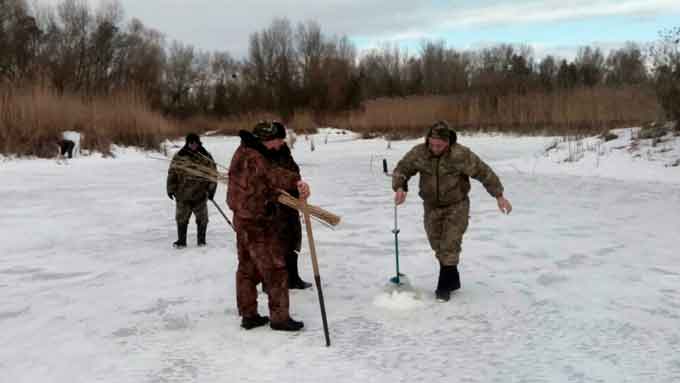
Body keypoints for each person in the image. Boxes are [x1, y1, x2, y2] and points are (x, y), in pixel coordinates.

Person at [392, 121, 512, 302]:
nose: (434, 148)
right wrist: (400, 187)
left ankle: (443, 287)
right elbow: (403, 168)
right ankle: (453, 279)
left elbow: (483, 172)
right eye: (432, 144)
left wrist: (499, 196)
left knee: (449, 245)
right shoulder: (420, 153)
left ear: (447, 143)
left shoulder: (460, 155)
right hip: (431, 206)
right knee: (437, 245)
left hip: (456, 205)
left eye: (439, 145)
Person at [227, 121, 311, 331]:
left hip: (243, 219)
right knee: (276, 269)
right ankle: (280, 318)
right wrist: (297, 182)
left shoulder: (242, 151)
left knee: (247, 268)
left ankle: (249, 315)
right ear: (267, 139)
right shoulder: (255, 157)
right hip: (258, 222)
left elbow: (260, 183)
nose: (278, 146)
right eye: (277, 141)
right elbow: (272, 176)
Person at [269, 122, 312, 290]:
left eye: (282, 139)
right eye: (278, 139)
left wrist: (298, 186)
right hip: (274, 205)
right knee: (275, 244)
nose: (281, 142)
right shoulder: (263, 155)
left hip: (291, 204)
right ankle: (271, 282)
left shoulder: (284, 151)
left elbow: (293, 171)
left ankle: (293, 278)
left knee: (293, 240)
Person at [167, 133, 217, 248]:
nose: (193, 145)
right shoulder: (179, 156)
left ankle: (201, 241)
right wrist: (170, 189)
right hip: (182, 195)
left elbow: (213, 175)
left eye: (196, 143)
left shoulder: (205, 156)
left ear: (199, 143)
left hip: (200, 194)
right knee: (181, 219)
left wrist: (211, 190)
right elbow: (172, 173)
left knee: (202, 219)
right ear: (187, 143)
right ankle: (181, 241)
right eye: (191, 143)